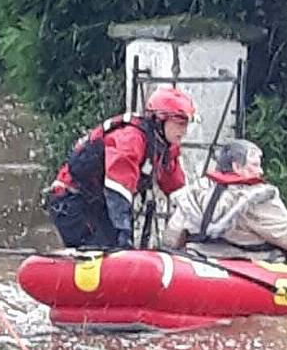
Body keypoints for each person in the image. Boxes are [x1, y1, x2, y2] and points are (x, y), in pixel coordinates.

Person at [47, 87, 195, 248]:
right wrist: (123, 232)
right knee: (101, 251)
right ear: (160, 119)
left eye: (186, 124)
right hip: (73, 200)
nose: (184, 131)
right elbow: (118, 189)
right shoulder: (131, 139)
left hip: (99, 204)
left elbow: (177, 190)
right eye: (180, 124)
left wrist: (194, 221)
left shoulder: (165, 148)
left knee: (113, 247)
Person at [163, 139, 287, 258]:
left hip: (198, 260)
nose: (260, 171)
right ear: (237, 167)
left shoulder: (196, 191)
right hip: (243, 269)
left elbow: (172, 236)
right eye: (255, 165)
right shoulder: (255, 198)